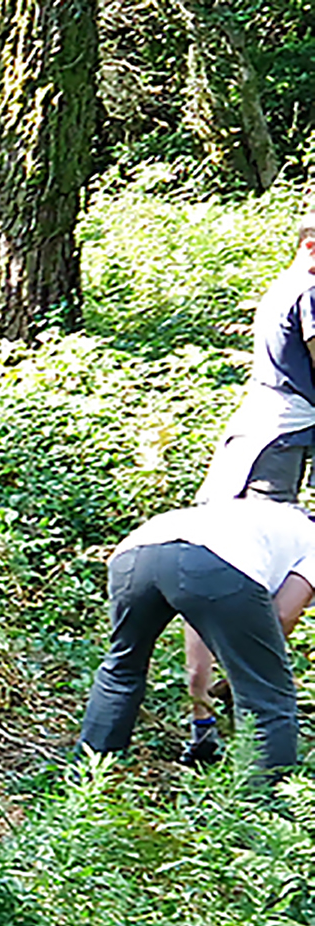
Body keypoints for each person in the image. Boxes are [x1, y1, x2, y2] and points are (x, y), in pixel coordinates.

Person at [184, 214, 315, 751]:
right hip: (277, 441)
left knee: (210, 554)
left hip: (249, 435)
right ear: (311, 245)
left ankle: (203, 713)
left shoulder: (278, 289)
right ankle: (246, 689)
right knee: (265, 565)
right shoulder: (308, 289)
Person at [80, 496, 315, 775]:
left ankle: (87, 778)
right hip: (216, 561)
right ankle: (262, 804)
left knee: (122, 667)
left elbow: (201, 611)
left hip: (136, 552)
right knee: (266, 695)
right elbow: (282, 615)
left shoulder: (260, 519)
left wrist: (219, 677)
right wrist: (250, 670)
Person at [195, 214, 315, 505]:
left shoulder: (283, 286)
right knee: (268, 518)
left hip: (266, 421)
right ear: (311, 247)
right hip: (285, 427)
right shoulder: (309, 291)